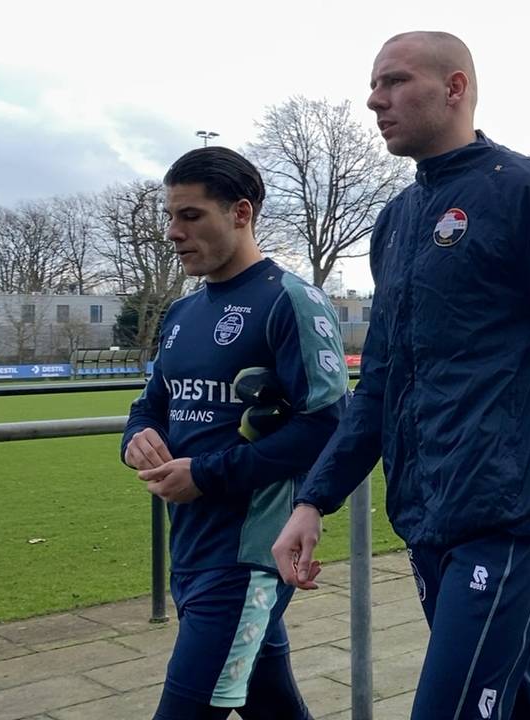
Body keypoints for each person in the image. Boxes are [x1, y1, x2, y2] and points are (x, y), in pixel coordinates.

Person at [271, 31, 530, 719]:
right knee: (509, 703)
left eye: (394, 81)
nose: (374, 100)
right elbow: (383, 386)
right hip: (426, 518)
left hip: (511, 516)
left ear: (454, 88)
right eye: (374, 84)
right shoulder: (395, 222)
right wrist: (314, 500)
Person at [122, 146, 348, 719]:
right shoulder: (182, 313)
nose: (173, 232)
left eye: (191, 216)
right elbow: (152, 405)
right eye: (169, 216)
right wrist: (136, 438)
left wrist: (204, 474)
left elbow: (326, 427)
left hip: (248, 559)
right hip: (192, 548)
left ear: (241, 212)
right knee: (272, 706)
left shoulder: (289, 300)